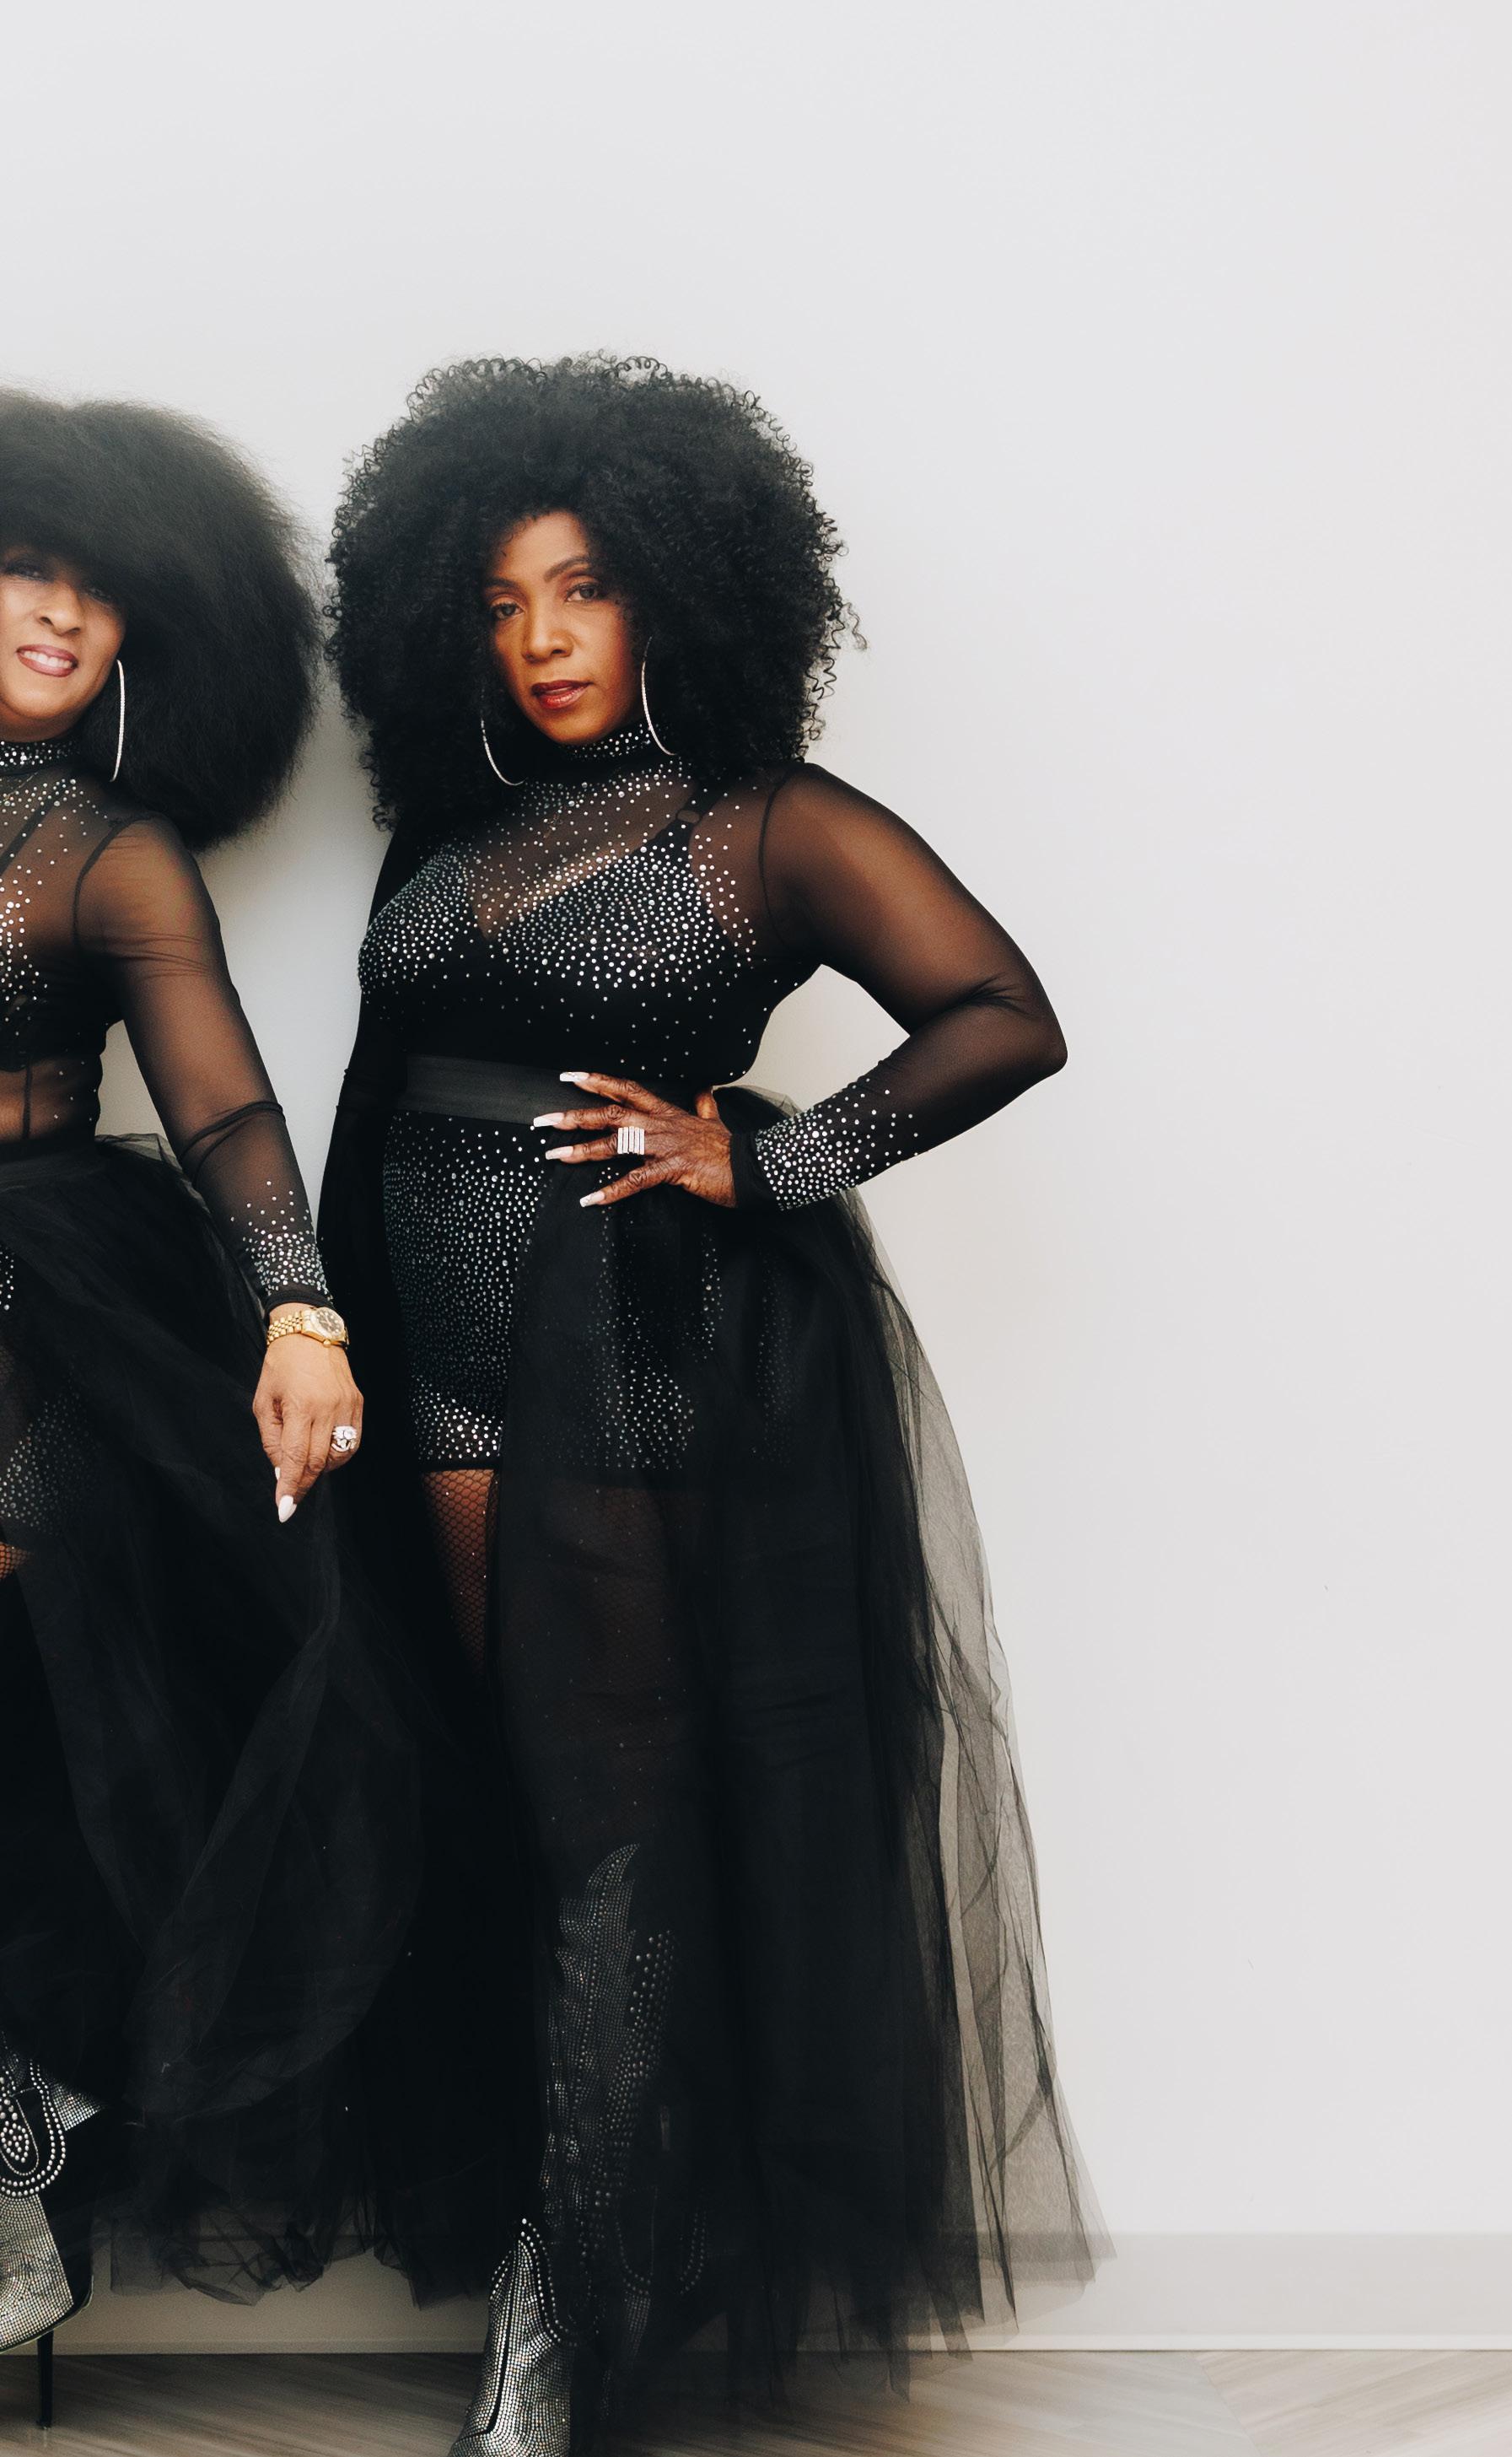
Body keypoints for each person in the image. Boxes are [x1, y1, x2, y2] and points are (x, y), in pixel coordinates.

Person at [322, 354, 1105, 2457]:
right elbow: (377, 1093)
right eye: (503, 600)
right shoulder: (449, 821)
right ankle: (596, 2235)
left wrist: (767, 1164)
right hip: (438, 1369)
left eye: (583, 588)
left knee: (614, 1818)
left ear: (678, 588)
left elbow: (1002, 1014)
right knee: (519, 1806)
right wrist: (321, 1322)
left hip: (631, 1363)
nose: (544, 636)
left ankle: (575, 2289)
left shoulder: (771, 824)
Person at [0, 389, 415, 2409]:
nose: (58, 611)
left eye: (101, 591)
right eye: (24, 563)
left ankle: (15, 2148)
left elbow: (228, 1108)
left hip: (37, 1302)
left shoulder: (105, 849)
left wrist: (300, 1313)